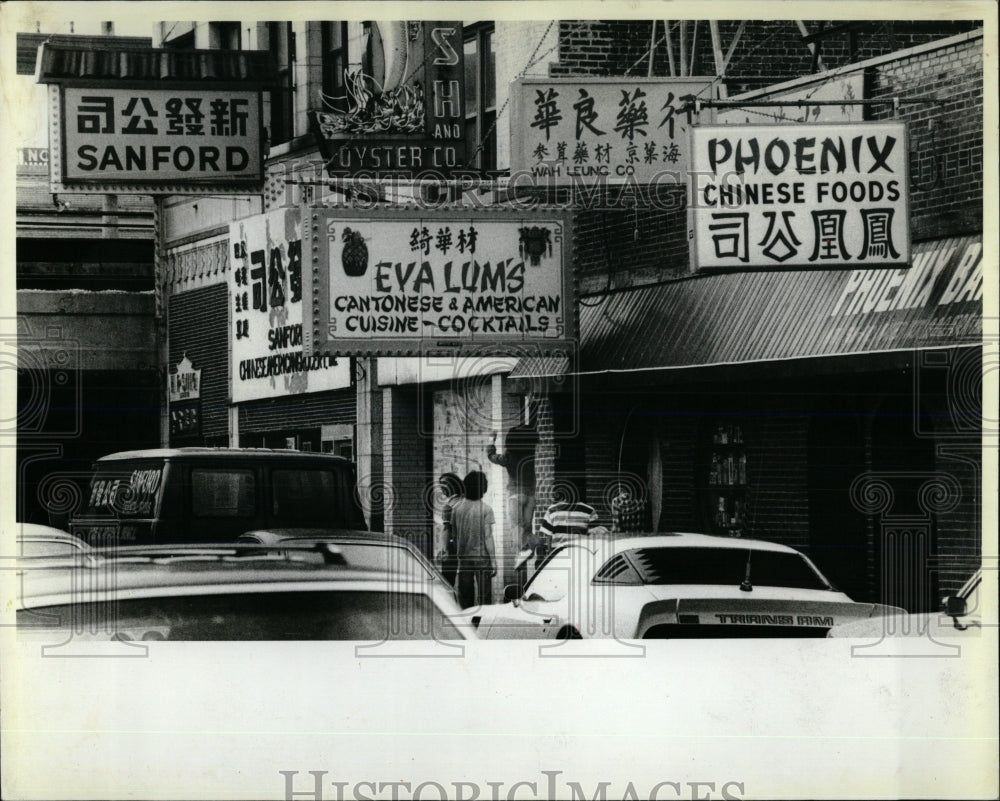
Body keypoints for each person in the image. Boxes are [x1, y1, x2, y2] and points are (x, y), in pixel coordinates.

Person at [487, 413, 539, 582]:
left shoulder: (509, 457)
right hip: (531, 496)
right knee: (527, 527)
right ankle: (529, 551)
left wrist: (491, 440)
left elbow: (491, 456)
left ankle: (522, 553)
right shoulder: (531, 455)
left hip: (515, 495)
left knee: (515, 527)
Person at [452, 470, 496, 609]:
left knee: (465, 598)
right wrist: (493, 560)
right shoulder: (486, 509)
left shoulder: (456, 509)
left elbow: (454, 535)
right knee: (485, 598)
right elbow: (488, 536)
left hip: (463, 558)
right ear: (483, 489)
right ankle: (482, 626)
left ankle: (467, 626)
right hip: (482, 557)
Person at [434, 472, 464, 588]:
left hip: (452, 547)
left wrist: (445, 550)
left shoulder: (449, 506)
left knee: (448, 583)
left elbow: (447, 529)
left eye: (443, 487)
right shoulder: (468, 502)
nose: (442, 490)